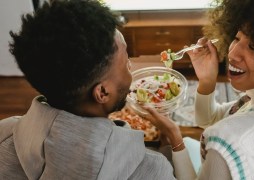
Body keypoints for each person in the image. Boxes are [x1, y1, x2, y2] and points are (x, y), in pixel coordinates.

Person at [0, 0, 176, 179]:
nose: (130, 66)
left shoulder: (3, 133)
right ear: (102, 93)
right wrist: (173, 142)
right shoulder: (154, 169)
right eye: (126, 62)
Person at [142, 0, 254, 179]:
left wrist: (174, 137)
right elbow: (209, 119)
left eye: (253, 46)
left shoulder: (225, 141)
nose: (232, 54)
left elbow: (216, 129)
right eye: (237, 38)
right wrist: (207, 80)